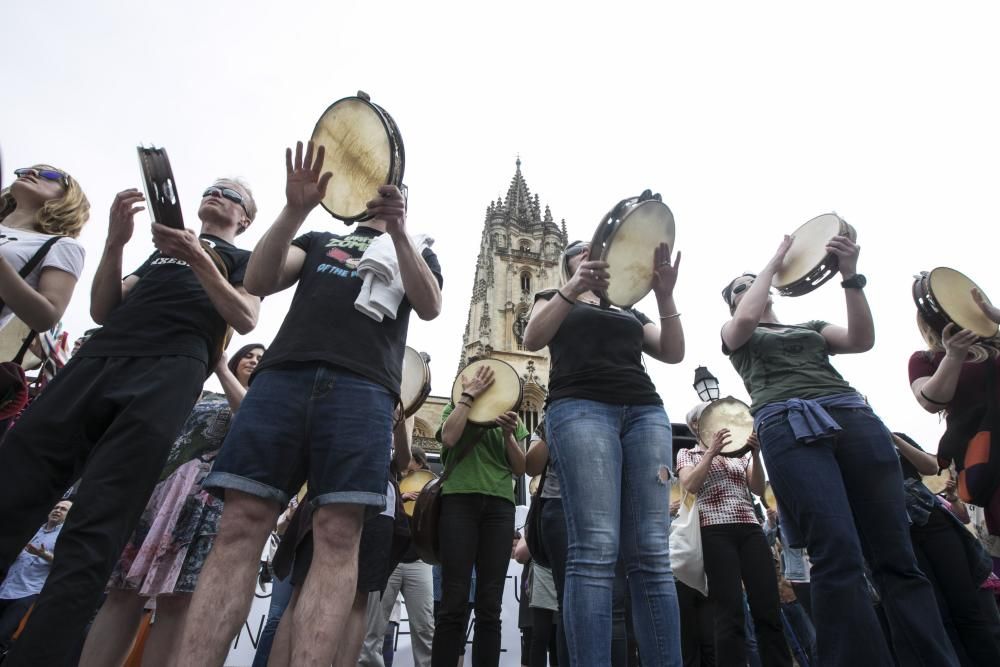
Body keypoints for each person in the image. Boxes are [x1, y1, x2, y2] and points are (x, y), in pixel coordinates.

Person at [176, 140, 442, 667]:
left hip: (365, 388)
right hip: (283, 379)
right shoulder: (320, 238)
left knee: (339, 534)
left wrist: (401, 233)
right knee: (240, 525)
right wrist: (296, 207)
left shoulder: (418, 252)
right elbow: (258, 280)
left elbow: (430, 304)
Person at [0, 171, 259, 665]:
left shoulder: (243, 260)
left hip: (171, 368)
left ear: (244, 219)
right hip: (102, 357)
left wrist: (198, 257)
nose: (215, 194)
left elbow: (245, 316)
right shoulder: (160, 250)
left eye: (230, 195)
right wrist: (116, 243)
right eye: (211, 187)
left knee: (99, 523)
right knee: (14, 482)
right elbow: (103, 308)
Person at [719, 234, 957, 666]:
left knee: (896, 552)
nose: (749, 288)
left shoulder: (809, 327)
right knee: (837, 551)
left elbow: (861, 339)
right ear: (734, 303)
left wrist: (850, 275)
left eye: (751, 284)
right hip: (787, 421)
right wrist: (771, 264)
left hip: (849, 413)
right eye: (739, 288)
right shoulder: (737, 333)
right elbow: (745, 318)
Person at [522, 239, 684, 666]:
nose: (590, 248)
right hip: (579, 407)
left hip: (644, 411)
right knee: (594, 547)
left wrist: (665, 294)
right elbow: (532, 337)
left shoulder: (626, 304)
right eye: (578, 248)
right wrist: (571, 289)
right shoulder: (554, 296)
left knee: (652, 552)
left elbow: (672, 352)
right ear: (567, 264)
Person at [78, 343, 265, 667]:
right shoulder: (204, 394)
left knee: (177, 602)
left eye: (261, 358)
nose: (253, 360)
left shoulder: (262, 404)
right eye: (248, 354)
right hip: (161, 496)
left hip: (205, 506)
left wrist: (220, 365)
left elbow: (246, 416)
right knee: (122, 592)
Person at [677, 402, 790, 667]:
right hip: (713, 531)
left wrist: (755, 454)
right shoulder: (688, 454)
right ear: (697, 425)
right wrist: (711, 452)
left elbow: (758, 488)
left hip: (749, 529)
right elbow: (690, 485)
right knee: (729, 611)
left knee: (767, 607)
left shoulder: (737, 455)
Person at [431, 364, 527, 667]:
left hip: (499, 507)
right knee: (453, 601)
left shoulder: (510, 414)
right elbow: (448, 438)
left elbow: (520, 467)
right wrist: (468, 397)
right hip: (459, 502)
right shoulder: (455, 403)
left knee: (490, 604)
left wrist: (510, 435)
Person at [893, 432, 1000, 666]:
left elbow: (930, 467)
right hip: (895, 536)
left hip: (932, 524)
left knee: (967, 607)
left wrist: (891, 437)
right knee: (938, 616)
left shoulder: (892, 439)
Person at [0, 164, 89, 333]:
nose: (31, 173)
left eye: (50, 175)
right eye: (25, 171)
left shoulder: (61, 245)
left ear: (69, 196)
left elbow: (45, 318)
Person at [0, 500, 71, 652]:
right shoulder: (34, 530)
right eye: (56, 507)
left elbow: (65, 563)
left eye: (63, 509)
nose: (58, 510)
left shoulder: (64, 537)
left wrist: (43, 554)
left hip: (28, 592)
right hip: (6, 586)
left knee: (3, 634)